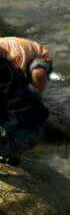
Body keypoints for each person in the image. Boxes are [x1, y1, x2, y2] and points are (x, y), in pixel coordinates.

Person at [0, 36, 52, 165]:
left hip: (39, 58)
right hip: (36, 124)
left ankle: (12, 148)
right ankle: (14, 151)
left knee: (37, 74)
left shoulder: (14, 57)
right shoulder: (7, 66)